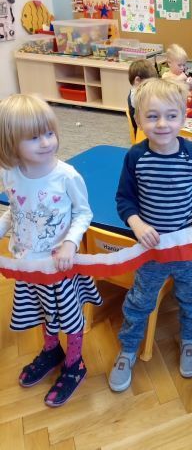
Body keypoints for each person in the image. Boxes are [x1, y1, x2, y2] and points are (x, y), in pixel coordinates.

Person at [109, 78, 192, 392]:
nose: (162, 124)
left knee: (190, 298)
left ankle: (189, 341)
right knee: (139, 301)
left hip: (188, 249)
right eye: (152, 116)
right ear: (138, 119)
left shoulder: (191, 153)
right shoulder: (135, 157)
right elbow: (124, 199)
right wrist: (137, 224)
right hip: (153, 251)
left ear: (183, 118)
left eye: (171, 116)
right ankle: (128, 349)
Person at [0, 94, 102, 407]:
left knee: (69, 318)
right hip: (28, 266)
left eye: (49, 133)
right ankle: (51, 350)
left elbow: (83, 213)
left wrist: (70, 242)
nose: (46, 142)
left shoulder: (66, 176)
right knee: (44, 311)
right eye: (33, 137)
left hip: (60, 268)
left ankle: (74, 363)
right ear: (10, 143)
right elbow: (15, 210)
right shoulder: (10, 173)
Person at [127, 58, 157, 136]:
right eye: (149, 83)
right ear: (137, 80)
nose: (151, 86)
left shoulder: (137, 91)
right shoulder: (136, 96)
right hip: (142, 133)